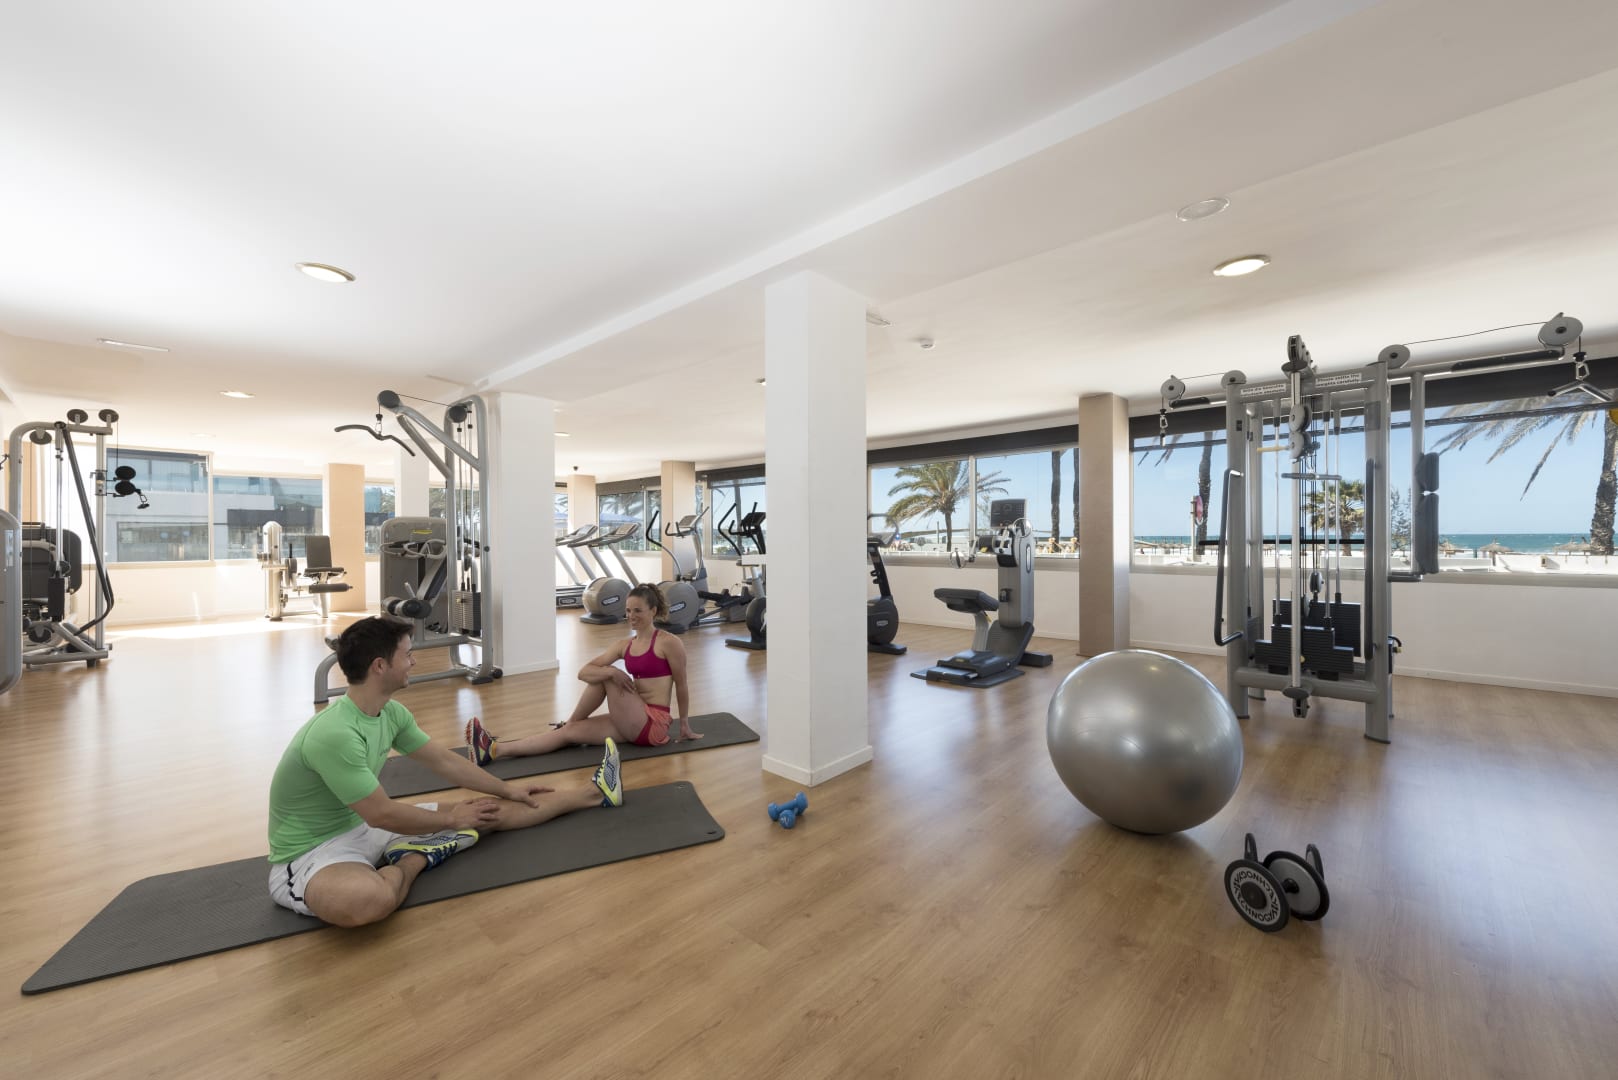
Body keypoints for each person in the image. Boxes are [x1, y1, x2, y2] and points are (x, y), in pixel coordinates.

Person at [266, 616, 624, 928]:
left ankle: (595, 792)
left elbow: (445, 762)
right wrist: (451, 821)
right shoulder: (334, 734)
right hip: (314, 851)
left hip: (367, 827)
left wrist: (506, 790)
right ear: (379, 666)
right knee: (369, 901)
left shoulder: (390, 713)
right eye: (407, 655)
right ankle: (415, 858)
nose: (414, 661)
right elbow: (381, 813)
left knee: (488, 811)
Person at [464, 582, 701, 766]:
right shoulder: (624, 645)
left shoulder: (669, 643)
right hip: (631, 718)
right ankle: (493, 750)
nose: (631, 616)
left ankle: (570, 721)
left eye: (638, 610)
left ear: (653, 611)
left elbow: (682, 685)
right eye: (628, 610)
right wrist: (611, 673)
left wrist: (684, 724)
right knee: (569, 732)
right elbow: (584, 672)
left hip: (653, 724)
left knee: (607, 674)